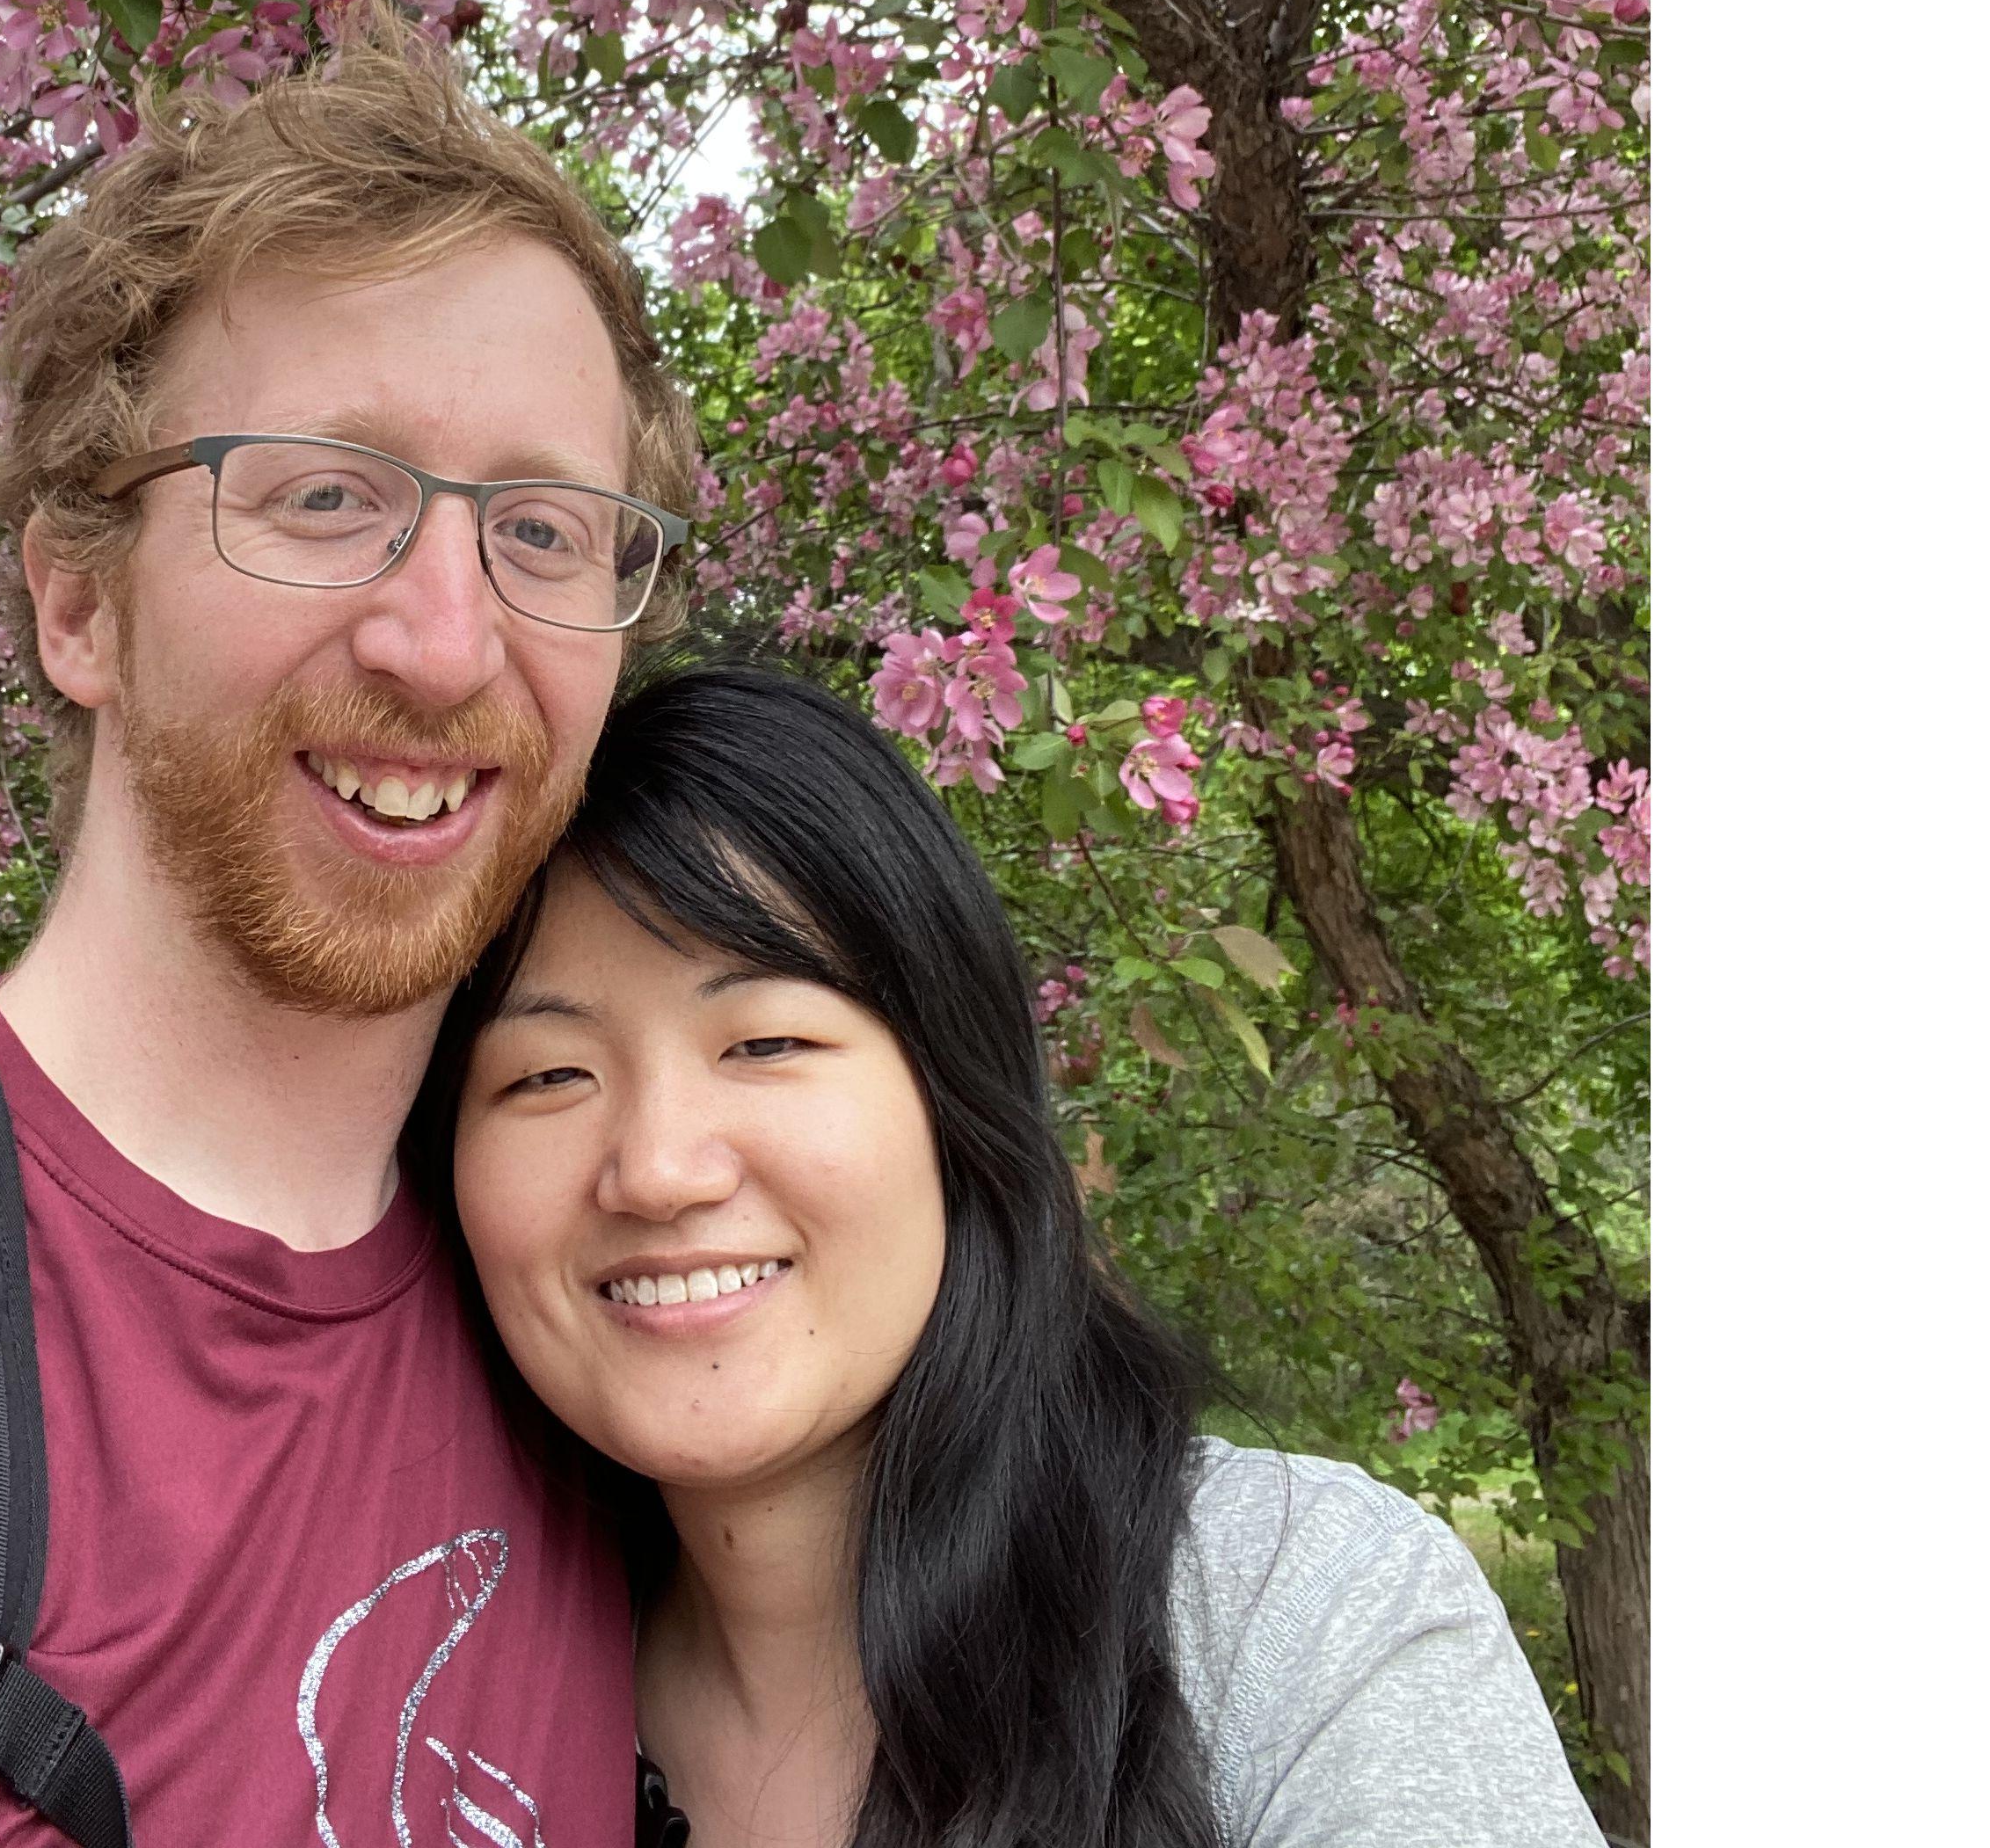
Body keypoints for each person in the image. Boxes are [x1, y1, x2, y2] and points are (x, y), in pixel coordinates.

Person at [0, 14, 699, 1847]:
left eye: (540, 529)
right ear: (76, 604)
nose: (442, 642)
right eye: (324, 497)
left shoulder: (634, 1306)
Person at [435, 665, 1608, 1848]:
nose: (658, 1169)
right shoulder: (440, 1696)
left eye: (768, 1040)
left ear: (955, 1103)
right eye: (546, 1075)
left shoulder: (1299, 1613)